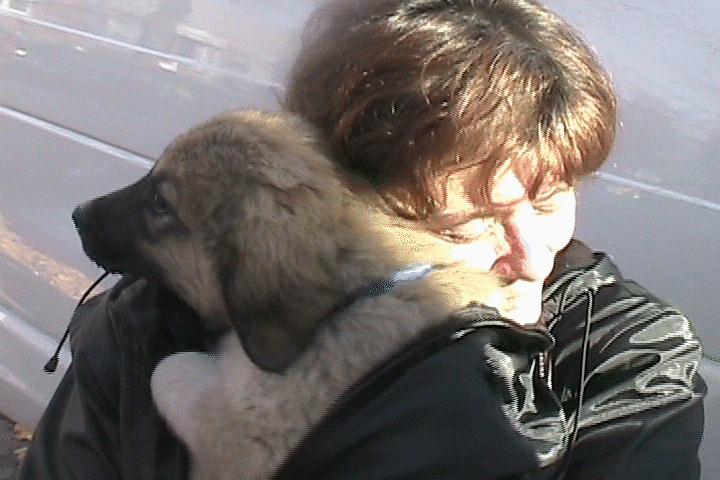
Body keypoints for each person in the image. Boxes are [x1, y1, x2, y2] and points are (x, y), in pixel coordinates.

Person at [19, 0, 705, 478]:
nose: (532, 256)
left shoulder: (624, 355)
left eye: (552, 199)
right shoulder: (157, 325)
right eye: (465, 225)